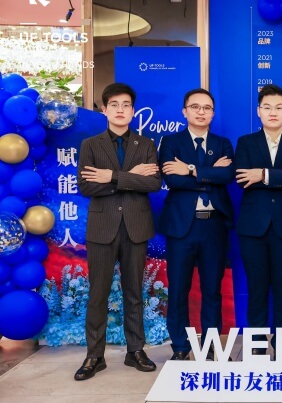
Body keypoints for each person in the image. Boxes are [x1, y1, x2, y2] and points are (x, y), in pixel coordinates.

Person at [75, 83, 161, 380]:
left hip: (136, 227)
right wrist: (130, 177)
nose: (120, 109)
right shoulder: (90, 145)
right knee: (98, 293)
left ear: (133, 111)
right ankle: (94, 355)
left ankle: (135, 350)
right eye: (114, 104)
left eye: (126, 105)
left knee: (134, 292)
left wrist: (111, 176)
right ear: (104, 110)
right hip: (102, 228)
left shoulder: (146, 144)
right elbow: (86, 186)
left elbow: (152, 184)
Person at [159, 88, 235, 361]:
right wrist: (209, 173)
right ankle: (180, 346)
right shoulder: (171, 142)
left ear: (213, 113)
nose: (201, 112)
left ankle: (210, 345)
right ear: (185, 111)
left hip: (214, 226)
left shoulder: (223, 144)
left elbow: (227, 176)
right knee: (179, 289)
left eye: (207, 108)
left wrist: (191, 169)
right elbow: (173, 180)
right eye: (195, 107)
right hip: (182, 226)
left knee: (212, 289)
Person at [234, 84, 282, 357]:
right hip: (253, 228)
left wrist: (263, 174)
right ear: (259, 111)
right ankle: (255, 345)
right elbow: (243, 178)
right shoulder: (246, 143)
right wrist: (281, 173)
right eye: (267, 107)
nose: (273, 112)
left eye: (278, 107)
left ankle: (281, 345)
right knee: (256, 288)